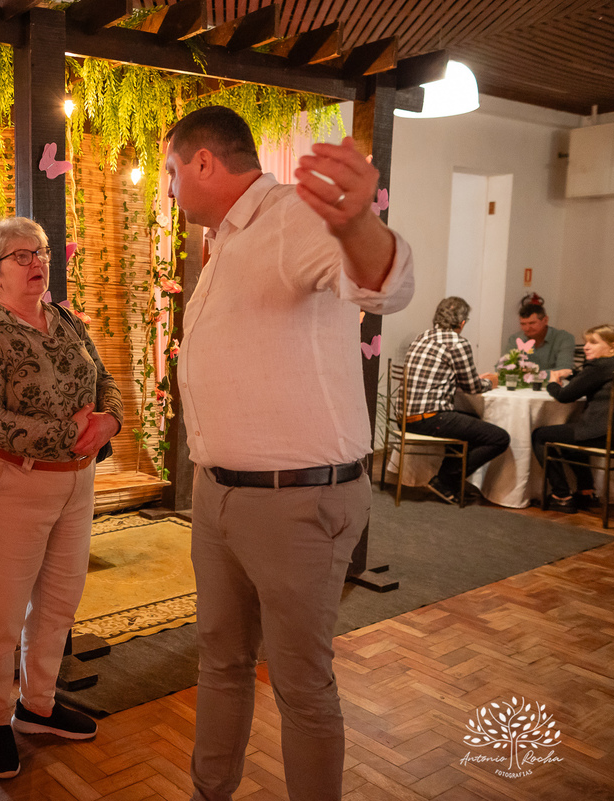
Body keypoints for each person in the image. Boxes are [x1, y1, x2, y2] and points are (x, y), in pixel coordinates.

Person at [163, 106, 414, 801]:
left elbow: (382, 286)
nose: (170, 186)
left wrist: (359, 221)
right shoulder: (225, 243)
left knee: (301, 683)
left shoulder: (290, 219)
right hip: (220, 497)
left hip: (295, 500)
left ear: (206, 162)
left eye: (172, 170)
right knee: (221, 660)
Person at [0, 216, 123, 779]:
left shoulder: (67, 319)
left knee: (58, 603)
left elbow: (105, 380)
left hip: (77, 483)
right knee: (0, 612)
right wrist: (66, 432)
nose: (37, 263)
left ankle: (38, 705)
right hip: (16, 485)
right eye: (22, 256)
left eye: (42, 252)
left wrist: (111, 421)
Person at [404, 297, 510, 504]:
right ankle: (444, 480)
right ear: (462, 323)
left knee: (470, 419)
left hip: (407, 416)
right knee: (499, 438)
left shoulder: (422, 337)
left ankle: (449, 483)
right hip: (431, 418)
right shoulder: (457, 342)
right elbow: (472, 387)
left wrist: (473, 380)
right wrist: (492, 383)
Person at [533, 324, 614, 512]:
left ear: (612, 347)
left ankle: (561, 495)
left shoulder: (599, 366)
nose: (586, 347)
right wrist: (572, 373)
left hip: (603, 435)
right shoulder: (611, 366)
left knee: (541, 435)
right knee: (571, 430)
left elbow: (564, 396)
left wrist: (553, 384)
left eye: (593, 343)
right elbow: (591, 378)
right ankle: (585, 490)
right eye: (586, 342)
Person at [505, 293, 575, 373]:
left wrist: (528, 374)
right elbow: (504, 366)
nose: (527, 328)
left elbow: (564, 369)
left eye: (532, 323)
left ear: (545, 320)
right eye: (523, 324)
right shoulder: (515, 339)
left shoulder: (563, 338)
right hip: (523, 384)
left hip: (553, 384)